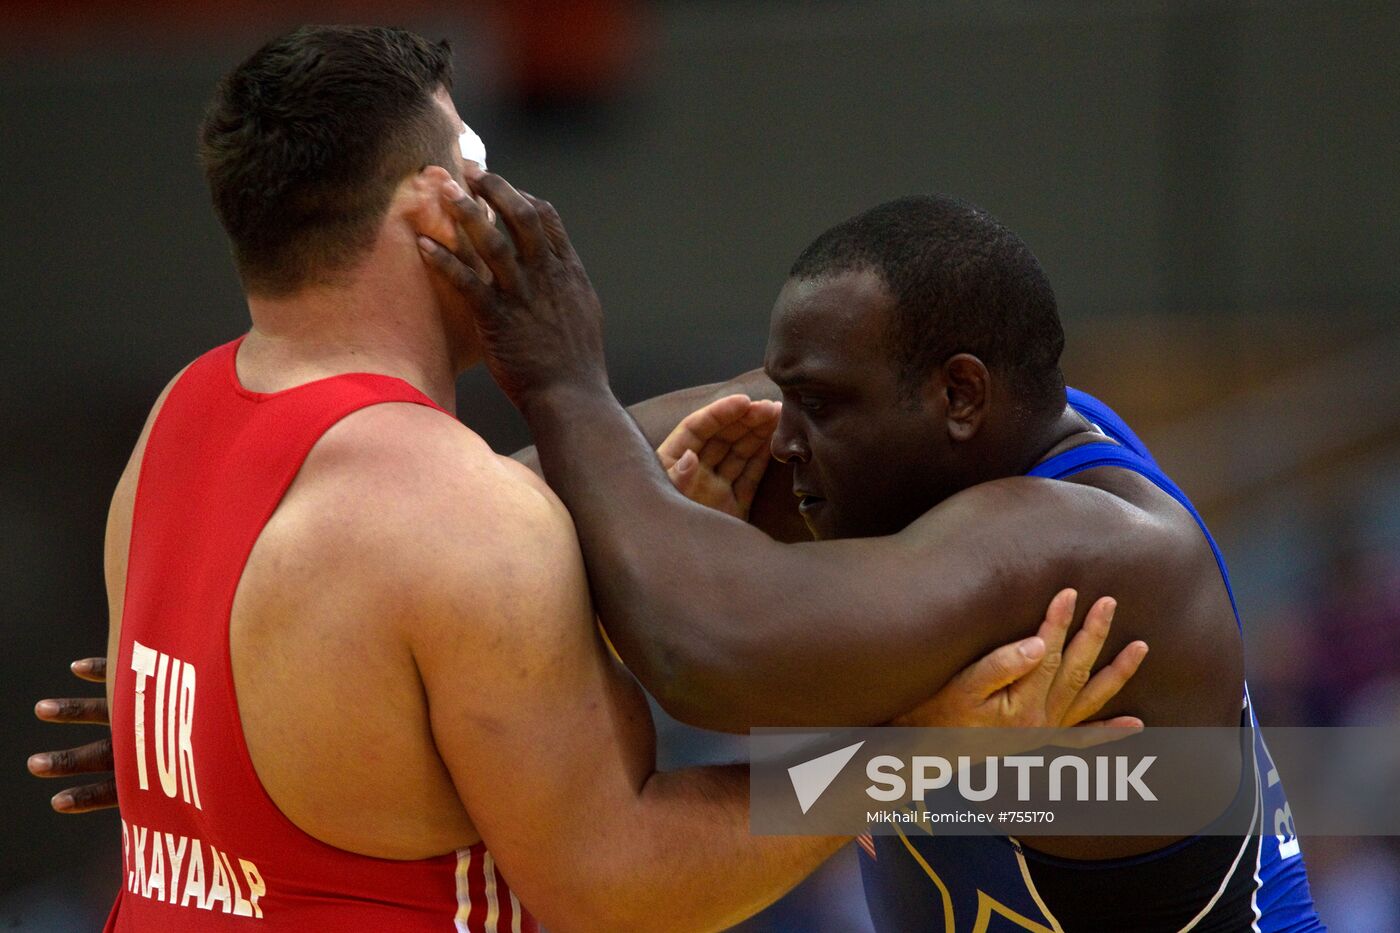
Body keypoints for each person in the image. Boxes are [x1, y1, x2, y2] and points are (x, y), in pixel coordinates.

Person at [28, 24, 1147, 933]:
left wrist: (594, 574)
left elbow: (379, 700)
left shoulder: (180, 419)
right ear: (440, 210)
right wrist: (915, 756)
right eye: (480, 167)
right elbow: (621, 888)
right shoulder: (460, 521)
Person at [412, 178, 1327, 931]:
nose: (783, 440)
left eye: (816, 405)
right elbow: (487, 516)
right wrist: (655, 519)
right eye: (788, 395)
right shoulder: (905, 452)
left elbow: (705, 653)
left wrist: (568, 384)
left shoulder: (1098, 554)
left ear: (959, 395)